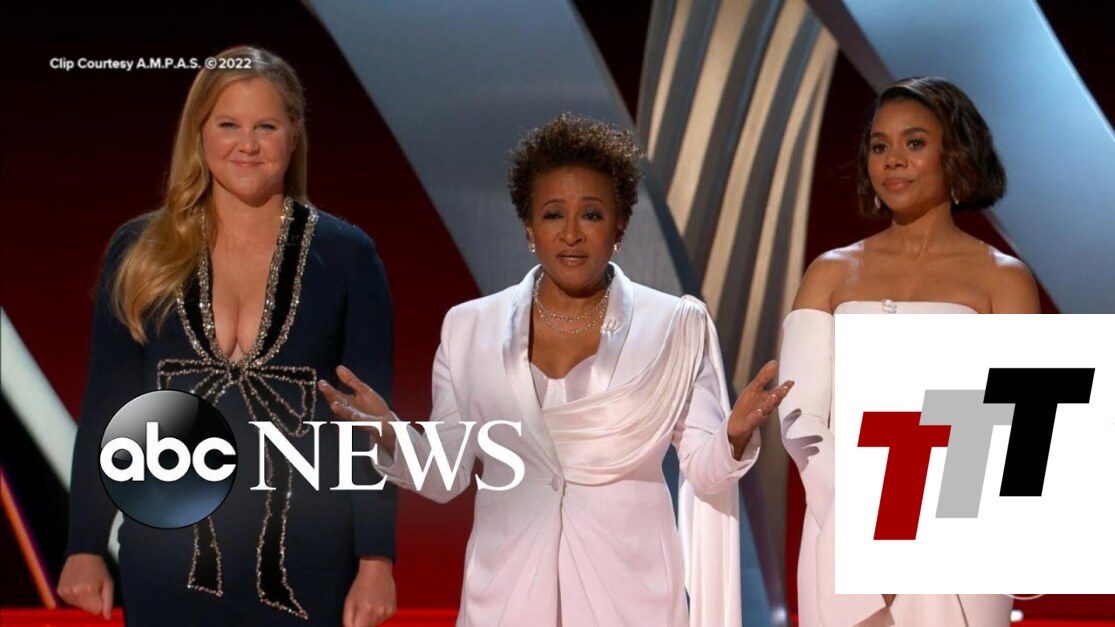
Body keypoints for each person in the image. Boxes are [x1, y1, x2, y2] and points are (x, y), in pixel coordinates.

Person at [318, 113, 792, 625]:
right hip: (506, 598)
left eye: (590, 214)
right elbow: (446, 474)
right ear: (529, 227)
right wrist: (390, 432)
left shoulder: (675, 325)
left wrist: (734, 436)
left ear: (619, 226)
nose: (570, 234)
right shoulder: (469, 327)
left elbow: (703, 467)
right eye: (552, 215)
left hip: (630, 600)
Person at [57, 46, 398, 626]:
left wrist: (376, 559)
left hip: (310, 559)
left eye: (266, 126)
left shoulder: (348, 256)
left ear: (294, 133)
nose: (248, 145)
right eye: (228, 125)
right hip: (164, 554)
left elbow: (367, 424)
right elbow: (107, 411)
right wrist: (84, 544)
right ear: (199, 133)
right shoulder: (139, 250)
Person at [779, 76, 1040, 626]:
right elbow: (799, 418)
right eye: (880, 146)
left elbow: (1024, 428)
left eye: (914, 143)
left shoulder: (1005, 279)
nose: (892, 160)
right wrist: (868, 528)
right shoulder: (830, 272)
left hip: (960, 534)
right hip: (841, 529)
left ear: (957, 154)